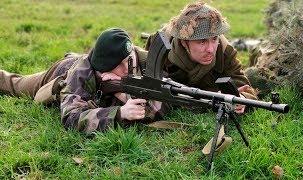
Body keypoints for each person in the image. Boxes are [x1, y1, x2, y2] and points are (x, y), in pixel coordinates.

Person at [145, 2, 258, 155]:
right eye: (202, 41)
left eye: (214, 39)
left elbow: (244, 87)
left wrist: (240, 99)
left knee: (258, 77)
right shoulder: (163, 46)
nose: (211, 49)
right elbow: (147, 78)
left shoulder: (224, 52)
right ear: (185, 43)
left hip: (206, 94)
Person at [0, 28, 163, 134]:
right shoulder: (80, 75)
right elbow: (71, 118)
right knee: (16, 85)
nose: (127, 68)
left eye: (128, 60)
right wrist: (119, 113)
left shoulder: (140, 59)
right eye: (117, 65)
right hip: (63, 72)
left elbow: (161, 98)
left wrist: (121, 92)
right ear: (103, 69)